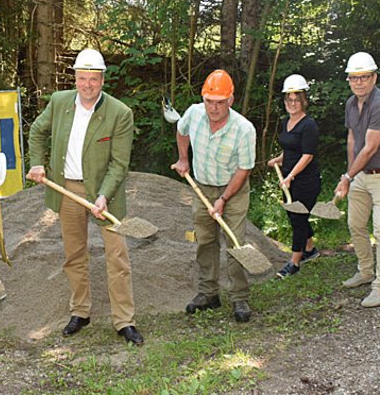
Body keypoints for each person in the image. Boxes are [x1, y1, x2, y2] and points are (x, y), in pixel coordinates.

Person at [26, 49, 143, 345]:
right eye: (82, 78)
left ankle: (124, 321)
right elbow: (37, 132)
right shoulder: (59, 102)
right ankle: (81, 311)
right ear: (74, 78)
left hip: (107, 193)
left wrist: (103, 196)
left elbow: (119, 164)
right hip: (68, 190)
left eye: (93, 79)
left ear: (103, 79)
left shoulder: (120, 113)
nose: (87, 85)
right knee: (74, 253)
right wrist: (37, 162)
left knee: (117, 256)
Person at [172, 69, 257, 322]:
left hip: (234, 190)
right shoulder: (194, 113)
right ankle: (208, 293)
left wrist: (223, 200)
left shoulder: (244, 129)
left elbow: (245, 169)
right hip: (202, 187)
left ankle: (239, 297)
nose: (214, 108)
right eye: (210, 101)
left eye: (220, 102)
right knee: (205, 241)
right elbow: (181, 130)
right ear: (203, 99)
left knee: (235, 242)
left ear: (230, 100)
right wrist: (183, 159)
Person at [334, 52, 380, 308]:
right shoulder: (351, 104)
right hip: (360, 174)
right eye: (354, 78)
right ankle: (366, 271)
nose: (359, 82)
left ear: (374, 77)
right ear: (349, 80)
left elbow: (370, 148)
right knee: (355, 224)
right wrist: (350, 174)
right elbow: (353, 140)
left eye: (364, 77)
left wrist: (347, 176)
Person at [267, 74, 321, 278]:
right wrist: (279, 160)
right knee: (294, 216)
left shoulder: (309, 125)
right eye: (288, 100)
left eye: (296, 99)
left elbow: (307, 155)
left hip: (306, 181)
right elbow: (291, 149)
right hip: (288, 180)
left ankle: (294, 262)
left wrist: (290, 176)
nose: (292, 103)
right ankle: (310, 249)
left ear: (304, 101)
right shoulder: (285, 122)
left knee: (298, 219)